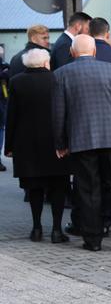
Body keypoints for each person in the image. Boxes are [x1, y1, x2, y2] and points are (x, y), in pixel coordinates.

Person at [52, 35, 111, 251]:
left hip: (82, 140)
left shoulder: (61, 74)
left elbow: (58, 114)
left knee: (89, 189)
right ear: (95, 51)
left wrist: (61, 143)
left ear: (72, 52)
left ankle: (93, 240)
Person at [5, 49, 70, 242]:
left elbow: (12, 116)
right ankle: (57, 230)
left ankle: (36, 228)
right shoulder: (57, 79)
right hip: (55, 142)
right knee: (58, 186)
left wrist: (8, 146)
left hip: (26, 145)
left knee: (34, 188)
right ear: (45, 63)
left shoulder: (16, 81)